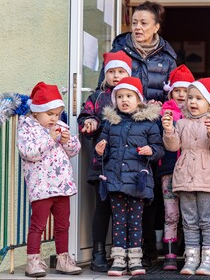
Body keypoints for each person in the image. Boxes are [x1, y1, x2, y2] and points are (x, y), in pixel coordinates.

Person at [94, 77, 165, 276]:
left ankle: (134, 259)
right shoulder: (110, 124)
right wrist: (100, 151)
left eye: (129, 96)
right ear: (115, 100)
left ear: (139, 99)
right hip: (115, 180)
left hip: (137, 182)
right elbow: (104, 151)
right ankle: (118, 259)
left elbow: (159, 149)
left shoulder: (149, 124)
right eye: (120, 96)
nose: (124, 100)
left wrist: (150, 150)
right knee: (118, 220)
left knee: (135, 221)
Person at [162, 78, 210, 276]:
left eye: (199, 98)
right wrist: (169, 131)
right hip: (184, 179)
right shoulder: (181, 122)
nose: (192, 101)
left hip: (208, 179)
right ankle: (191, 257)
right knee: (189, 221)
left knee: (207, 220)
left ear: (209, 102)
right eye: (190, 97)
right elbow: (173, 146)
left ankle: (209, 259)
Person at [17, 82, 82, 277]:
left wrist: (67, 141)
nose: (54, 118)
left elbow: (74, 150)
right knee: (38, 224)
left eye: (57, 114)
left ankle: (63, 259)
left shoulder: (61, 126)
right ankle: (33, 261)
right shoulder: (27, 128)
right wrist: (50, 139)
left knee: (63, 225)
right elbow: (29, 152)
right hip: (41, 186)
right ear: (37, 112)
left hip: (62, 185)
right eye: (50, 114)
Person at [77, 50, 132, 272]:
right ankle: (98, 251)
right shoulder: (97, 98)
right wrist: (89, 122)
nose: (116, 75)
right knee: (103, 208)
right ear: (105, 74)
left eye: (121, 71)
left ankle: (129, 252)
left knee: (130, 208)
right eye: (111, 71)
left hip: (129, 165)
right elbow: (84, 118)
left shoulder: (133, 95)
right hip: (103, 164)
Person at [97, 1, 177, 104]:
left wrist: (159, 107)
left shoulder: (167, 58)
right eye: (134, 23)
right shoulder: (117, 52)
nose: (137, 27)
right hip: (121, 118)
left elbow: (174, 99)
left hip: (155, 118)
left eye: (143, 23)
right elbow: (102, 90)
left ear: (156, 27)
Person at [157, 64, 195, 270]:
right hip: (169, 171)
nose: (181, 95)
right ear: (170, 91)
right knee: (171, 213)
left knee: (190, 214)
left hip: (191, 172)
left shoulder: (196, 113)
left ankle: (190, 251)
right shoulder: (164, 113)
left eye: (186, 91)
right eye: (177, 91)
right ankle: (170, 253)